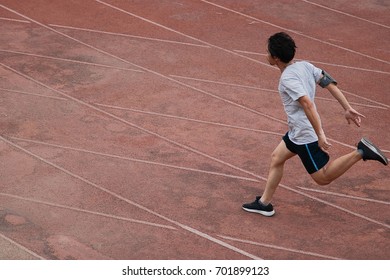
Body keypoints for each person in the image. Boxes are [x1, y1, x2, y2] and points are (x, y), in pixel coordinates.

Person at [242, 32, 388, 217]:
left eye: (267, 52)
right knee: (277, 158)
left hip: (305, 134)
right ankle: (264, 203)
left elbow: (307, 104)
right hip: (297, 132)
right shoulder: (305, 65)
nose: (266, 54)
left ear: (275, 58)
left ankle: (361, 152)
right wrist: (347, 107)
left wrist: (319, 134)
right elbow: (328, 82)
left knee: (322, 178)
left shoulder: (287, 79)